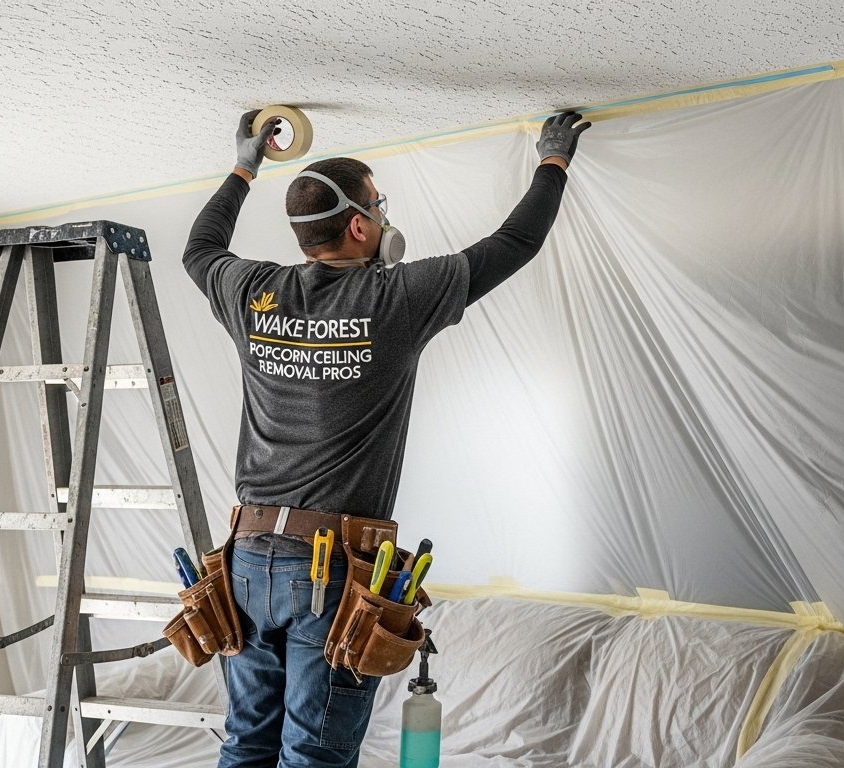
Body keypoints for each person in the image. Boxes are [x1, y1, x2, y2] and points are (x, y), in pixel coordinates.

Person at [181, 108, 590, 768]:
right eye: (378, 201)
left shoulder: (253, 290)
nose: (382, 214)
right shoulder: (396, 297)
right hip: (330, 568)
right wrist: (553, 161)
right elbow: (515, 244)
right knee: (312, 753)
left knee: (248, 744)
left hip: (247, 560)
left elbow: (199, 249)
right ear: (360, 224)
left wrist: (242, 166)